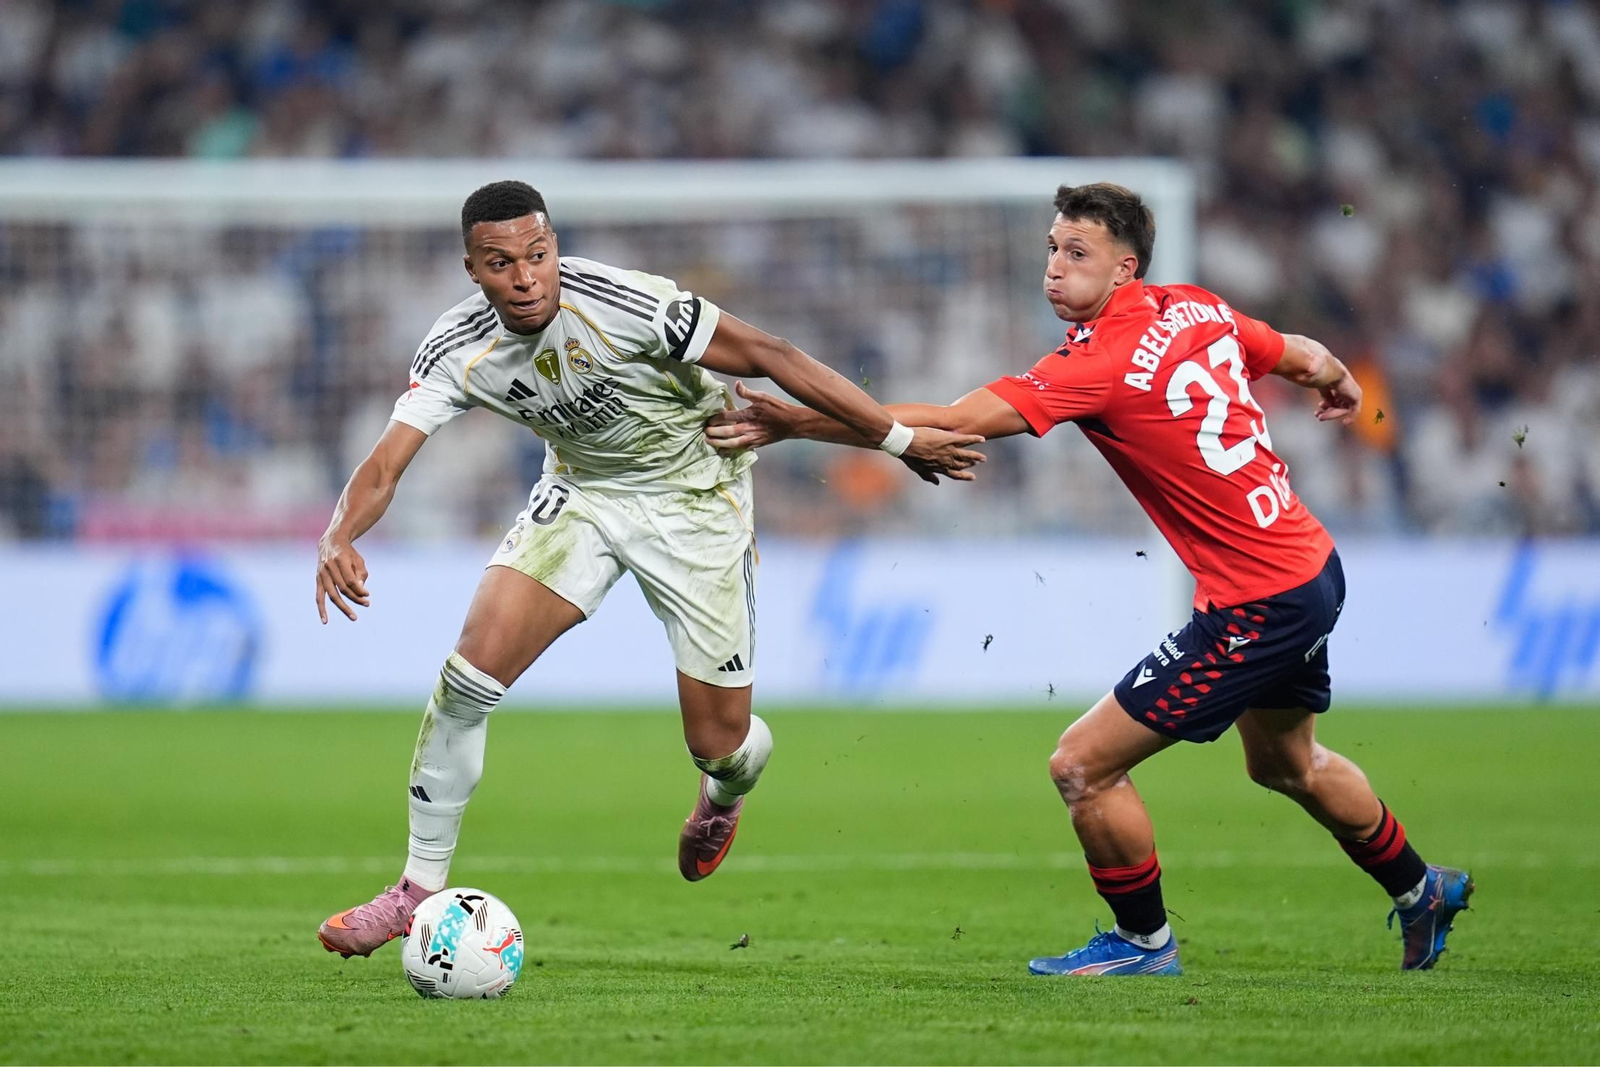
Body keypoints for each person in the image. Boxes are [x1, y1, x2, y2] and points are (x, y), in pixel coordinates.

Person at [706, 182, 1472, 975]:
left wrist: (797, 421)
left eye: (1078, 254)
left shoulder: (1100, 362)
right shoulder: (1197, 306)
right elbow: (1297, 351)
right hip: (1311, 568)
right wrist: (1336, 375)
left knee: (1081, 764)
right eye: (1051, 249)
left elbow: (951, 421)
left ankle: (1144, 943)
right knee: (1286, 764)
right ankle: (1424, 889)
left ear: (1123, 269)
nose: (1054, 268)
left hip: (1259, 601)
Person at [314, 180, 986, 958]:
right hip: (583, 496)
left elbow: (772, 356)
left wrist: (898, 440)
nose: (526, 278)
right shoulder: (456, 347)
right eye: (502, 264)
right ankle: (415, 891)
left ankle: (725, 789)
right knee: (466, 681)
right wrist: (339, 533)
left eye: (539, 255)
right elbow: (387, 462)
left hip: (697, 495)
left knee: (720, 742)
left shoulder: (628, 302)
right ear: (472, 268)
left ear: (555, 247)